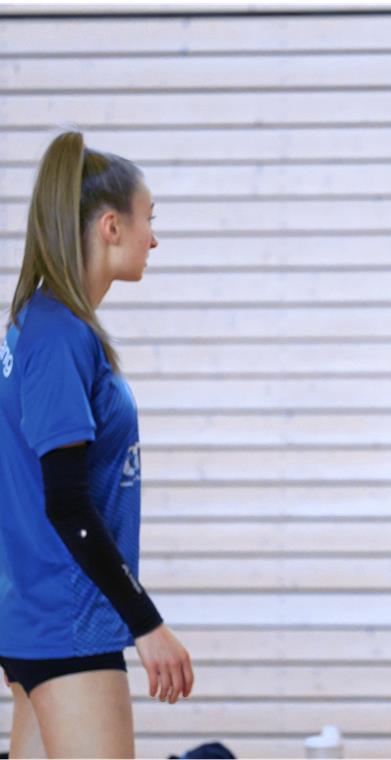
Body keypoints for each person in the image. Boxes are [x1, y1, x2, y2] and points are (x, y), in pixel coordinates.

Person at [0, 131, 193, 758]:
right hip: (69, 625)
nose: (154, 239)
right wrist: (148, 625)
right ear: (110, 226)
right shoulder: (57, 334)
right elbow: (65, 504)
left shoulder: (41, 324)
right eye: (149, 220)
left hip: (40, 623)